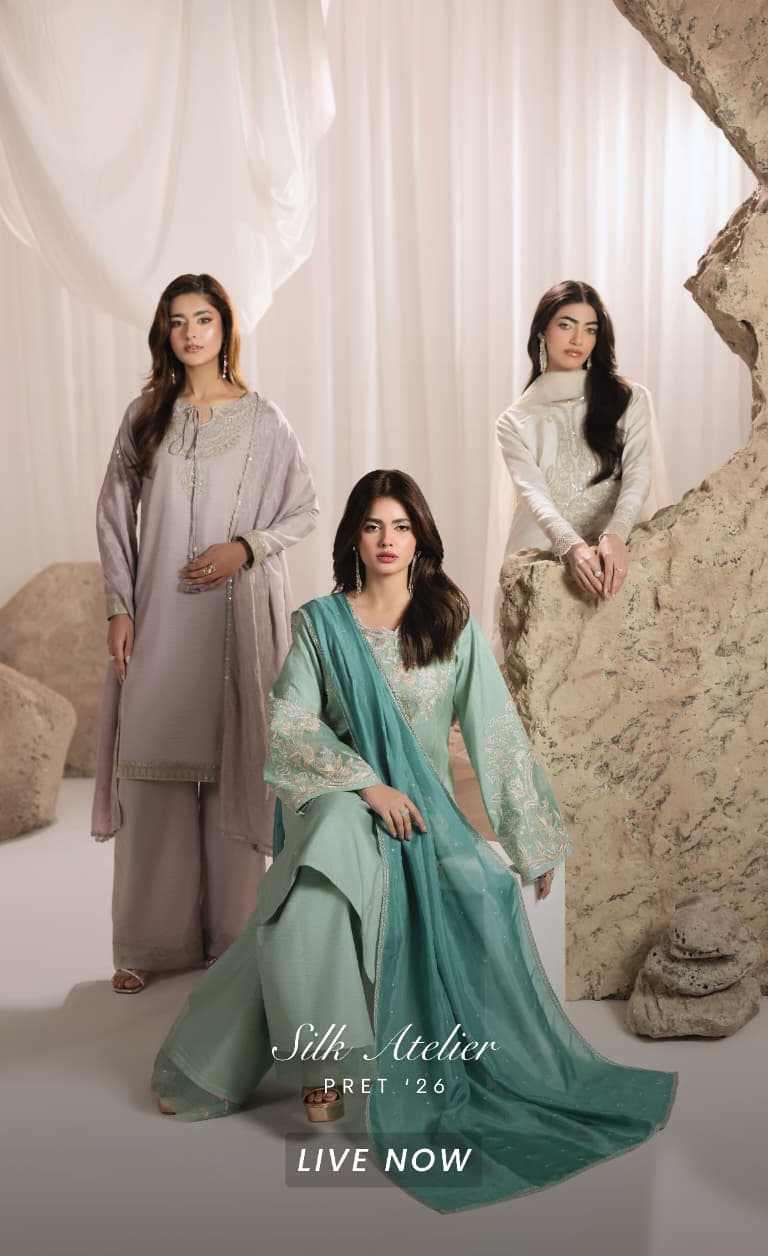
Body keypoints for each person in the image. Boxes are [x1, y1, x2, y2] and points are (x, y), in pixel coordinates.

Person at [151, 469, 675, 1213]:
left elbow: (495, 731)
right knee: (324, 855)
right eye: (373, 526)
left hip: (421, 814)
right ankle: (321, 1069)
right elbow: (290, 723)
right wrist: (367, 785)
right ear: (354, 540)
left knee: (305, 899)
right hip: (341, 798)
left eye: (400, 526)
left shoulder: (448, 622)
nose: (387, 540)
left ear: (421, 538)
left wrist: (530, 839)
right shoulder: (320, 625)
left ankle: (258, 1066)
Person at [91, 272, 319, 995]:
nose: (190, 333)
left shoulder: (264, 420)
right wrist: (119, 606)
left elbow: (305, 508)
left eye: (204, 319)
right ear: (165, 332)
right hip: (158, 617)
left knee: (232, 776)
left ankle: (233, 939)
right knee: (151, 772)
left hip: (234, 623)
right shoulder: (144, 416)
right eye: (178, 321)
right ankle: (147, 943)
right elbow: (113, 514)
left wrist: (245, 548)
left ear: (225, 329)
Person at [495, 280, 668, 602]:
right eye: (566, 325)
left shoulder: (630, 398)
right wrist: (570, 546)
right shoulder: (514, 420)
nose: (578, 339)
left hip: (615, 551)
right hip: (543, 557)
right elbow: (533, 493)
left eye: (590, 330)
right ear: (542, 331)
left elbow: (638, 473)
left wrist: (616, 534)